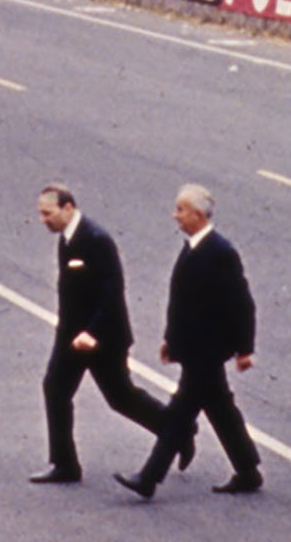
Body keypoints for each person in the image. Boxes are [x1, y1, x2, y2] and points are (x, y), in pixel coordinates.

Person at [26, 181, 184, 485]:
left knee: (120, 397)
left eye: (47, 214)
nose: (42, 220)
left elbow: (111, 292)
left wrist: (92, 332)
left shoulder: (96, 240)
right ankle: (64, 464)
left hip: (102, 338)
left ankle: (177, 430)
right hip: (72, 337)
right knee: (55, 389)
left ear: (68, 208)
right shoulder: (67, 238)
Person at [115, 184, 259, 499]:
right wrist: (171, 340)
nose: (175, 215)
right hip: (194, 349)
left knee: (181, 413)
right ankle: (248, 469)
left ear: (197, 214)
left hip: (208, 350)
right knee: (220, 409)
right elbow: (180, 303)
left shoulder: (221, 252)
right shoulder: (193, 247)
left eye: (180, 209)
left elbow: (242, 303)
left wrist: (245, 349)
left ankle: (148, 478)